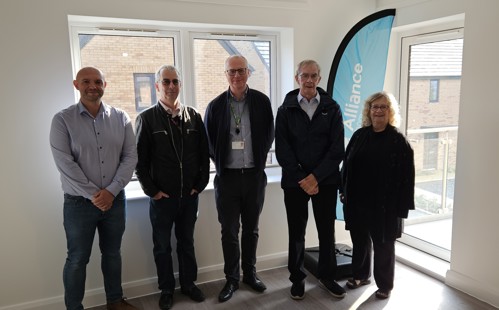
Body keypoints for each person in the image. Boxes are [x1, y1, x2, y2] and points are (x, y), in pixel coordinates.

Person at [49, 67, 138, 310]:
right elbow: (65, 163)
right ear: (76, 85)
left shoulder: (120, 117)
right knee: (77, 259)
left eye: (98, 81)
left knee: (112, 254)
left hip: (115, 201)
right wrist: (95, 195)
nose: (93, 86)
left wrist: (111, 191)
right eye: (86, 81)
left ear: (104, 85)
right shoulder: (62, 120)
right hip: (78, 204)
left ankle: (115, 301)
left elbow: (130, 157)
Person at [135, 65, 210, 310]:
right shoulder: (146, 119)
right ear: (157, 86)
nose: (171, 86)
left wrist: (200, 185)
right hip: (162, 198)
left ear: (180, 85)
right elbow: (140, 161)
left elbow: (203, 155)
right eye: (165, 81)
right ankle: (167, 289)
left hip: (189, 197)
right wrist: (153, 191)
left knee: (186, 242)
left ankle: (189, 284)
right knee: (162, 246)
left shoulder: (194, 116)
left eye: (175, 81)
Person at [204, 55, 275, 302]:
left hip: (254, 176)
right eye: (232, 71)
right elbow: (210, 143)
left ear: (248, 73)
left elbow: (268, 134)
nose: (237, 76)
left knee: (252, 230)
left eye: (241, 70)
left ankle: (250, 274)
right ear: (225, 74)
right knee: (229, 232)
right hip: (228, 179)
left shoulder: (261, 102)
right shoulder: (214, 106)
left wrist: (257, 160)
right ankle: (232, 279)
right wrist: (223, 164)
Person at [275, 59, 346, 300]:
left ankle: (327, 277)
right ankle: (297, 279)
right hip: (294, 183)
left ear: (319, 78)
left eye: (313, 75)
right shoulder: (285, 110)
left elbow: (337, 149)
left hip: (325, 181)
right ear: (297, 78)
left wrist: (315, 177)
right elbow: (282, 149)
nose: (309, 80)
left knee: (327, 231)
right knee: (296, 233)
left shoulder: (332, 108)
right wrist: (302, 179)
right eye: (304, 75)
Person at [340, 91, 415, 299]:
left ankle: (384, 285)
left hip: (385, 204)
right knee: (360, 241)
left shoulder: (399, 141)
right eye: (375, 107)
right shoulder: (359, 135)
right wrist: (343, 191)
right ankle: (360, 275)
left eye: (383, 107)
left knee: (384, 244)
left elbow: (408, 176)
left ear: (390, 112)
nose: (379, 111)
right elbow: (346, 166)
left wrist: (403, 206)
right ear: (369, 111)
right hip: (358, 200)